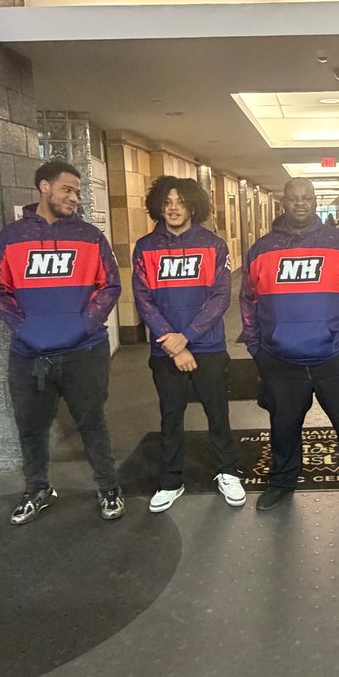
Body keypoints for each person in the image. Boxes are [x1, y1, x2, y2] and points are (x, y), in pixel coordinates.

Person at [240, 178, 339, 515]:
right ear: (283, 203)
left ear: (315, 201)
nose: (301, 204)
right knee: (283, 426)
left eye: (307, 198)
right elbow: (248, 300)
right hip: (280, 359)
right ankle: (281, 481)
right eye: (294, 199)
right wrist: (255, 346)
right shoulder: (262, 249)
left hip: (336, 356)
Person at [0, 159, 123, 525]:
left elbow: (110, 285)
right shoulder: (12, 237)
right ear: (44, 187)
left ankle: (109, 487)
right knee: (31, 427)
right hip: (28, 354)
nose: (74, 197)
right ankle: (38, 490)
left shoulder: (90, 236)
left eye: (77, 191)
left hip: (84, 351)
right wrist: (25, 329)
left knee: (93, 423)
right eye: (67, 189)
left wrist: (83, 325)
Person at [132, 176, 245, 512]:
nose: (173, 208)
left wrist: (188, 337)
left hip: (207, 347)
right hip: (165, 350)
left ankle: (227, 471)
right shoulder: (146, 247)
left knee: (217, 413)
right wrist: (175, 344)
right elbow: (143, 299)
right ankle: (171, 480)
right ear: (158, 206)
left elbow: (220, 297)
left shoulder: (213, 244)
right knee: (170, 417)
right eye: (167, 202)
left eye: (180, 202)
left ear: (193, 205)